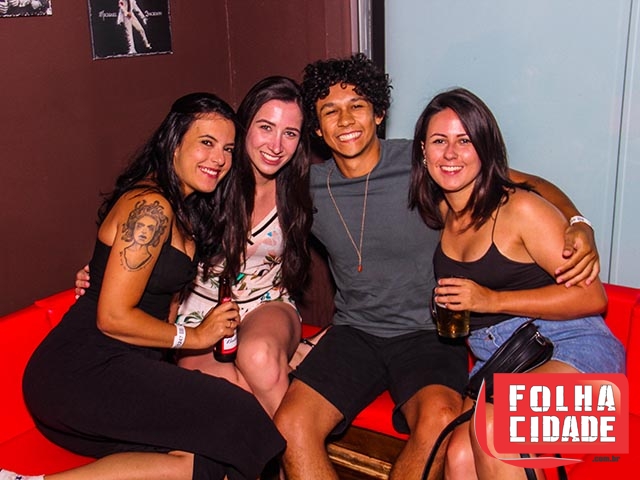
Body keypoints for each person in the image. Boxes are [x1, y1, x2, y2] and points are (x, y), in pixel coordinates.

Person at [272, 53, 601, 480]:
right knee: (291, 425)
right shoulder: (307, 186)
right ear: (316, 128)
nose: (346, 119)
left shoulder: (426, 163)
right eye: (330, 111)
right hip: (356, 333)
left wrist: (578, 222)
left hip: (429, 334)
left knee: (442, 422)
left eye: (357, 105)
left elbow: (522, 183)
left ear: (379, 114)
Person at [9, 93, 285, 480]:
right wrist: (195, 336)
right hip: (79, 373)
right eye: (206, 143)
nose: (219, 159)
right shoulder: (150, 207)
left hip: (124, 369)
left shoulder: (188, 210)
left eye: (227, 149)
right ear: (174, 143)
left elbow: (156, 300)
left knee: (207, 460)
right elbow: (111, 317)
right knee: (240, 415)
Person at [409, 87, 625, 479]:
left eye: (465, 140)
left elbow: (593, 296)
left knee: (495, 427)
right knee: (458, 456)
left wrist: (491, 300)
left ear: (484, 148)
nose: (451, 153)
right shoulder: (440, 208)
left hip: (575, 354)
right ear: (423, 151)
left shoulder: (519, 209)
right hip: (503, 363)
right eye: (439, 141)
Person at [74, 76, 314, 418]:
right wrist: (98, 270)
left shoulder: (301, 190)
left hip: (266, 304)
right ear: (244, 127)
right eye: (265, 127)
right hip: (198, 312)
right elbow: (144, 240)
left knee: (259, 357)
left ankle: (294, 443)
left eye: (290, 133)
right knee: (230, 395)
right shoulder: (206, 179)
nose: (276, 145)